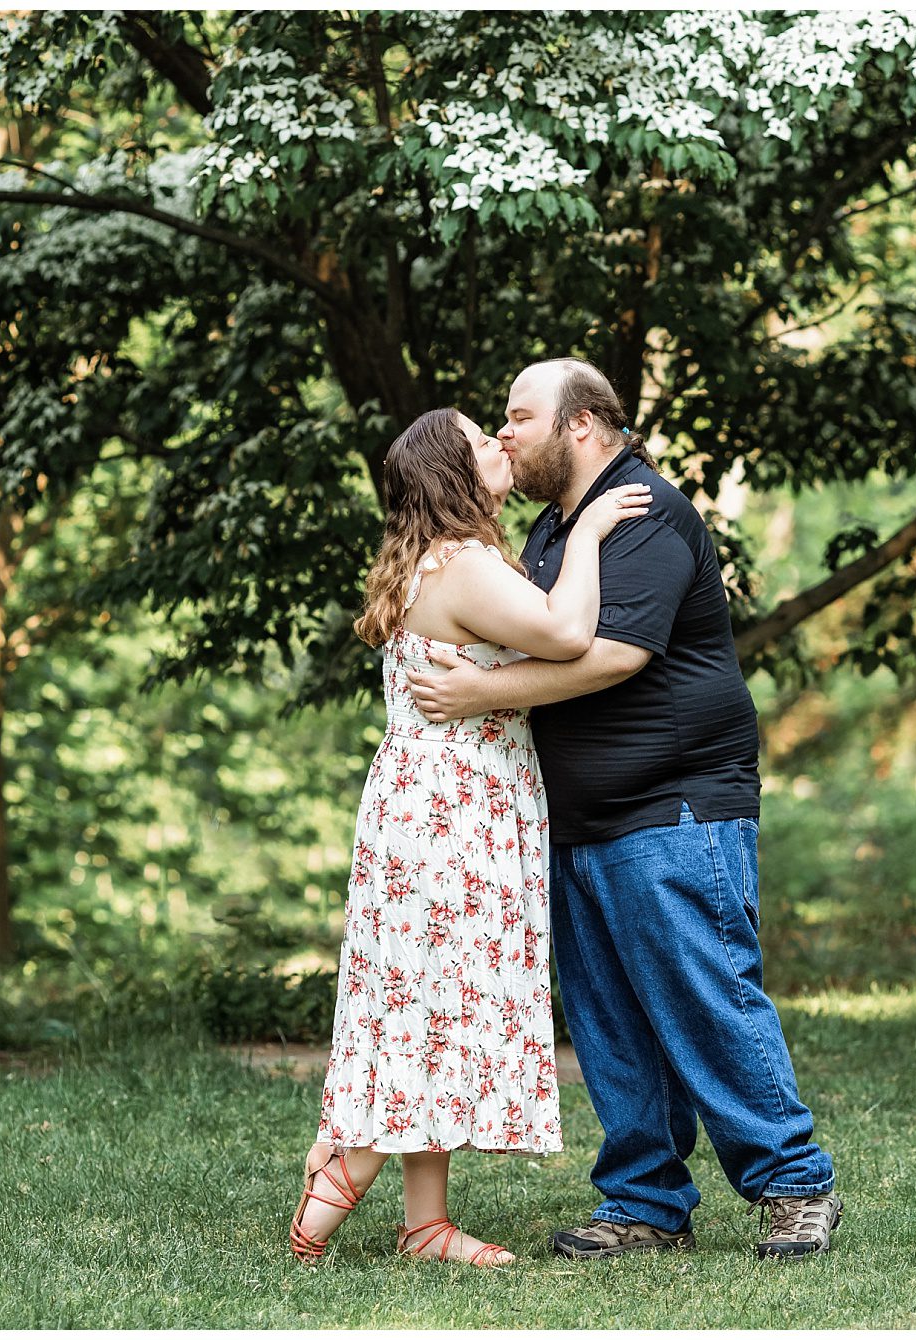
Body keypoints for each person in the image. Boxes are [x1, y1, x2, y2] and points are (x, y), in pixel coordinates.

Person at [406, 359, 842, 1261]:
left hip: (673, 803)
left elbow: (610, 657)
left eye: (520, 415)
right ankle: (645, 1202)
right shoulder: (551, 528)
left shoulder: (643, 509)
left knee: (705, 998)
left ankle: (795, 1183)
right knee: (609, 1022)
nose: (506, 431)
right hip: (577, 820)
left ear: (582, 425)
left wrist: (479, 693)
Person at [290, 406, 650, 1267]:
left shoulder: (443, 560)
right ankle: (333, 1187)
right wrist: (593, 531)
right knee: (425, 1002)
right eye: (479, 437)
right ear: (451, 470)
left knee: (430, 999)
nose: (499, 441)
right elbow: (568, 635)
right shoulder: (465, 566)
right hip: (452, 812)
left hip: (438, 801)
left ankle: (426, 1225)